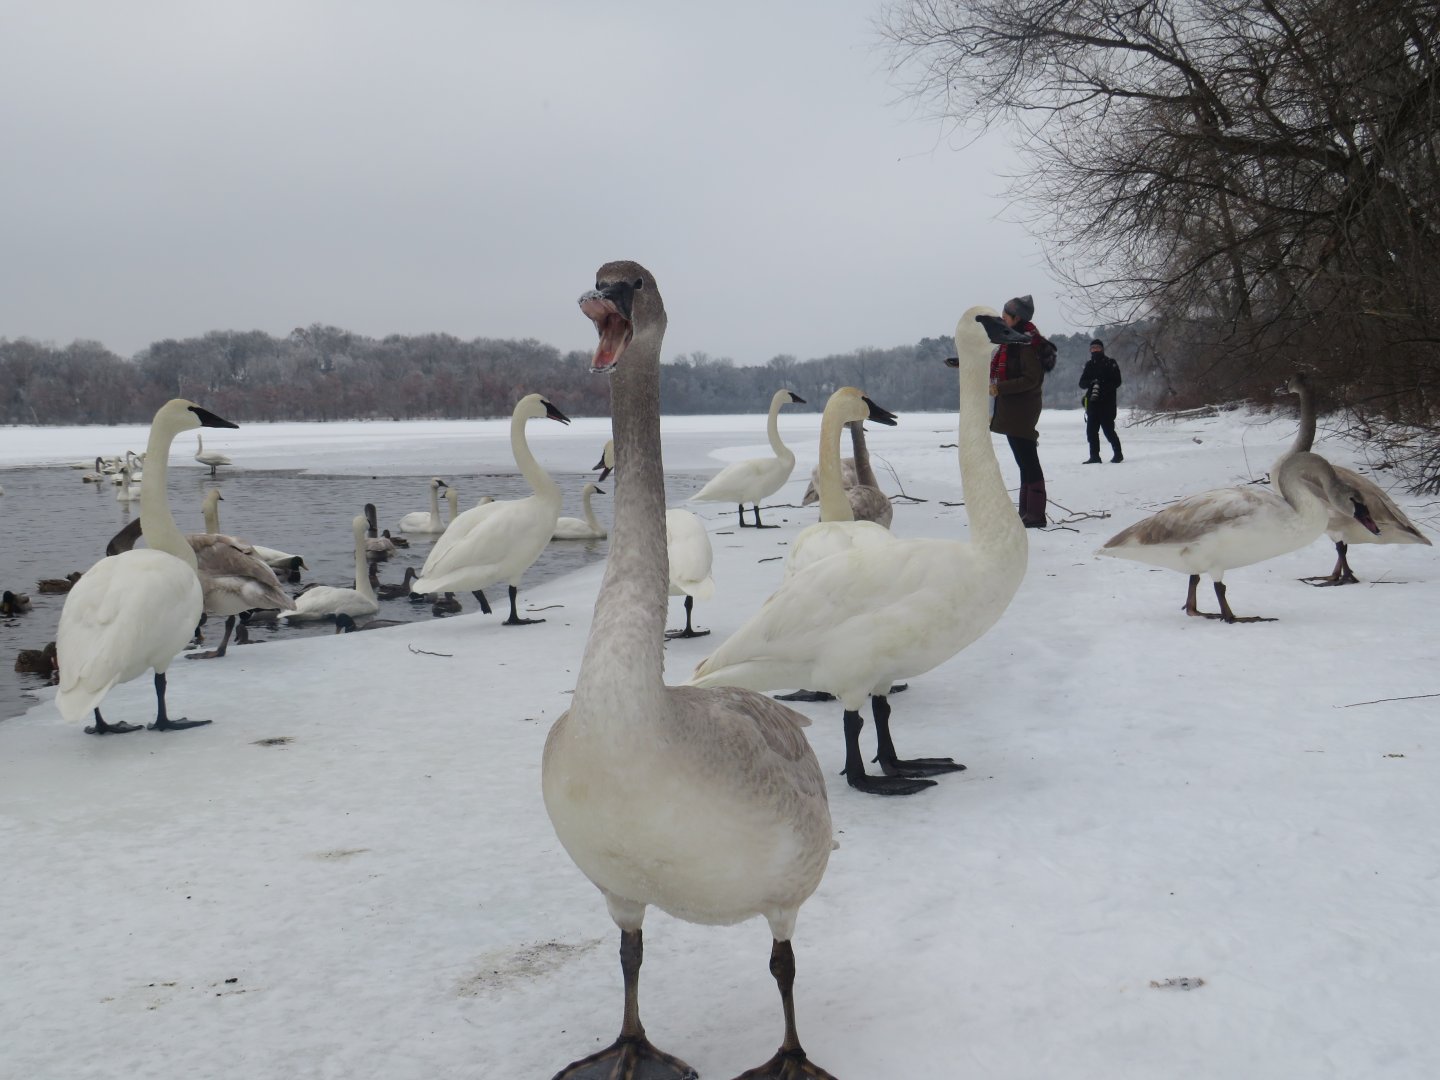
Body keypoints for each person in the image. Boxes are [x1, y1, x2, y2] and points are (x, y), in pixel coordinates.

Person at [990, 294, 1048, 527]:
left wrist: (999, 388)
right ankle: (1026, 511)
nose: (1002, 317)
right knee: (1023, 460)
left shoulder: (1027, 344)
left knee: (1028, 459)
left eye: (1006, 314)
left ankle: (1035, 514)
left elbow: (1031, 379)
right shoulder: (1012, 341)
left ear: (1017, 318)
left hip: (1022, 410)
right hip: (1012, 409)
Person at [1079, 339, 1124, 463]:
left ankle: (1118, 454)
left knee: (1108, 431)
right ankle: (1094, 456)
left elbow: (1117, 381)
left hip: (1107, 403)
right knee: (1091, 432)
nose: (1095, 350)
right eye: (1092, 348)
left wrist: (1103, 385)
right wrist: (1092, 383)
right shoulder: (1089, 364)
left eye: (1097, 348)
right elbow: (1081, 383)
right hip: (1092, 404)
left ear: (1102, 349)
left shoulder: (1110, 363)